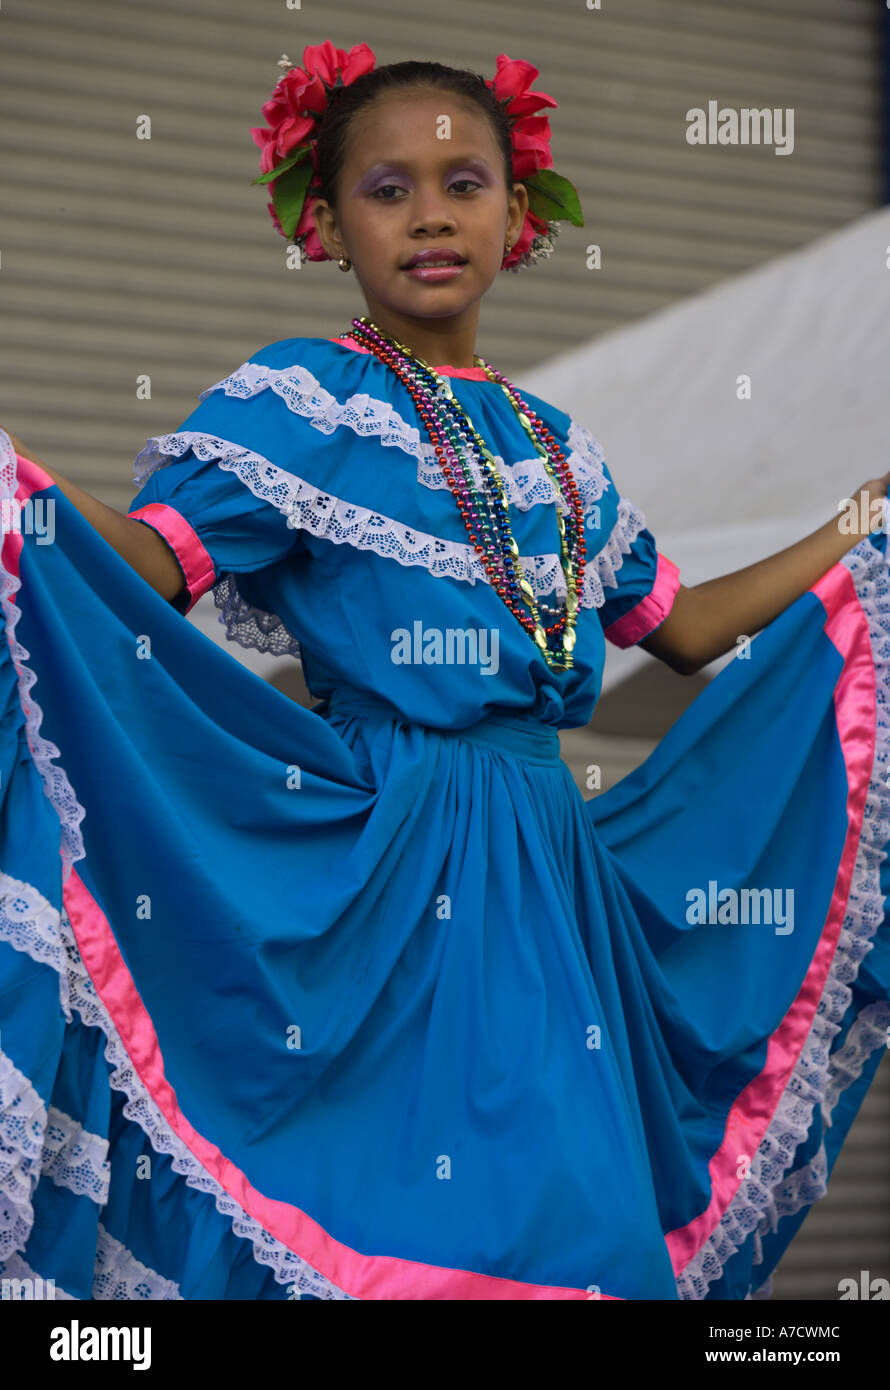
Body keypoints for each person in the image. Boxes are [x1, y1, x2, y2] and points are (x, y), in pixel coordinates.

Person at [1, 42, 888, 1303]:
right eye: (386, 188)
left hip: (550, 876)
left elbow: (684, 628)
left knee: (582, 1234)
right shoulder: (308, 403)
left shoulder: (553, 450)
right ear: (326, 223)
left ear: (518, 218)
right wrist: (20, 486)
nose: (429, 212)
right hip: (383, 875)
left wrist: (854, 529)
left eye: (462, 180)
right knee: (421, 1245)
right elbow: (151, 565)